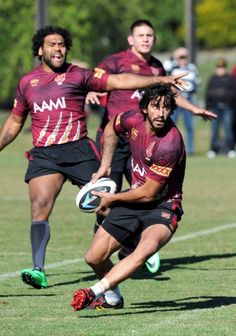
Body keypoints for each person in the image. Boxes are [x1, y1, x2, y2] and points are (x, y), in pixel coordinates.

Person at [0, 25, 187, 290]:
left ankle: (121, 247)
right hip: (45, 153)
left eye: (62, 44)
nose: (58, 49)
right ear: (40, 50)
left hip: (79, 150)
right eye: (52, 44)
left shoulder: (80, 75)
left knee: (106, 205)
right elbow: (13, 124)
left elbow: (119, 81)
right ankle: (39, 269)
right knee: (39, 205)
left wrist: (160, 81)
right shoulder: (26, 83)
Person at [86, 19, 216, 268]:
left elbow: (170, 96)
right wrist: (92, 92)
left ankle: (136, 245)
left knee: (143, 194)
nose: (146, 39)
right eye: (141, 35)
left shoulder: (157, 67)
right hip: (115, 139)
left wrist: (194, 109)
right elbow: (98, 81)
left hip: (144, 144)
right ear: (131, 39)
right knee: (107, 196)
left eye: (150, 36)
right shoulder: (115, 61)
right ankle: (100, 249)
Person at [70, 84, 186, 311]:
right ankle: (114, 296)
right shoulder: (132, 120)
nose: (161, 113)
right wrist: (105, 165)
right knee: (94, 257)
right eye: (155, 107)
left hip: (162, 206)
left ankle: (95, 291)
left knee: (145, 249)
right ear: (144, 108)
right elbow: (112, 128)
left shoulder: (170, 143)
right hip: (133, 201)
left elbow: (148, 193)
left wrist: (112, 199)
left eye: (166, 108)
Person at [166, 47, 200, 155]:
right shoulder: (172, 67)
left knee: (189, 126)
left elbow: (197, 83)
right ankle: (169, 148)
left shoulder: (192, 68)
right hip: (175, 99)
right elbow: (165, 67)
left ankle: (190, 150)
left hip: (188, 98)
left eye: (184, 57)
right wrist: (174, 57)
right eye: (180, 57)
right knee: (171, 124)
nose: (182, 59)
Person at [205, 58, 236, 158]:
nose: (220, 70)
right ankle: (213, 149)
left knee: (228, 129)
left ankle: (231, 149)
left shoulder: (231, 79)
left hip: (228, 108)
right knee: (215, 130)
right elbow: (208, 94)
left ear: (225, 68)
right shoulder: (212, 79)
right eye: (219, 68)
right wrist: (208, 107)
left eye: (222, 68)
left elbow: (234, 94)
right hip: (215, 108)